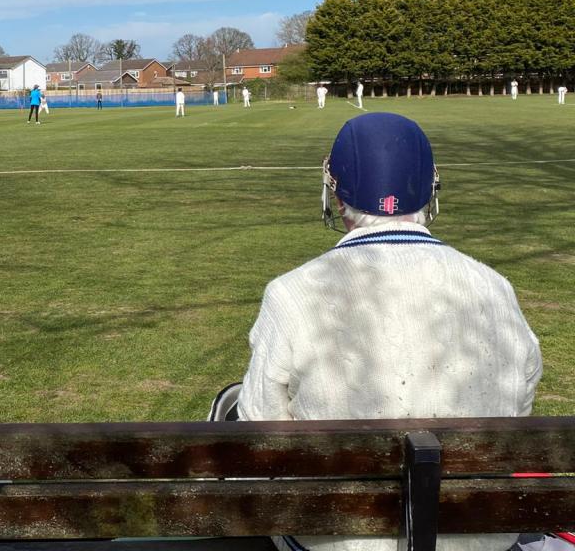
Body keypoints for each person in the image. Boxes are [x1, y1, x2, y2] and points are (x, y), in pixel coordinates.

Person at [211, 113, 542, 551]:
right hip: (479, 539)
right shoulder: (494, 287)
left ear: (336, 195)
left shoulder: (292, 293)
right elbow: (518, 408)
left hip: (338, 540)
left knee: (230, 405)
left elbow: (261, 434)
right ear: (431, 191)